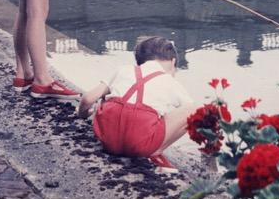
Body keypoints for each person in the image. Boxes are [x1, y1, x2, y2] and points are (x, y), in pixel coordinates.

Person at [77, 36, 196, 170]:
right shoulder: (170, 81)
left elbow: (87, 99)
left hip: (107, 140)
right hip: (140, 145)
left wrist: (83, 115)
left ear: (140, 61)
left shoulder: (123, 70)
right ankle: (156, 151)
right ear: (173, 61)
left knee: (108, 96)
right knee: (193, 111)